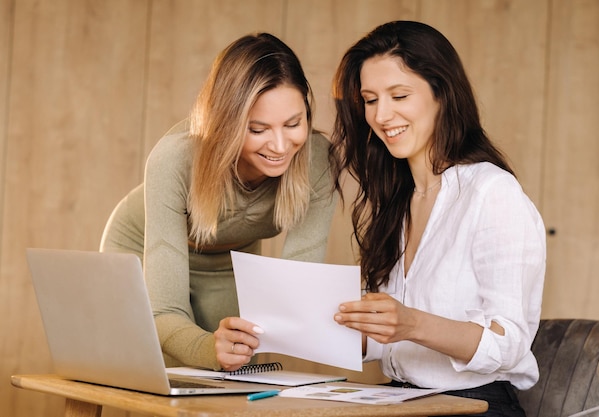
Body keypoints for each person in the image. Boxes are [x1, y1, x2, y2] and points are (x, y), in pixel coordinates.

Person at [330, 21, 545, 417]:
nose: (381, 115)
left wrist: (411, 323)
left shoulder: (491, 192)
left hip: (474, 406)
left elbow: (509, 342)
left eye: (399, 95)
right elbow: (396, 343)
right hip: (399, 398)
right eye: (370, 99)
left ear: (441, 94)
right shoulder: (398, 200)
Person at [100, 33, 337, 372]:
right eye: (258, 129)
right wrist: (205, 350)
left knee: (235, 362)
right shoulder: (176, 159)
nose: (281, 145)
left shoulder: (317, 163)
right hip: (141, 247)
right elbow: (164, 311)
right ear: (225, 123)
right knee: (155, 371)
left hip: (228, 259)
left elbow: (295, 289)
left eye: (293, 124)